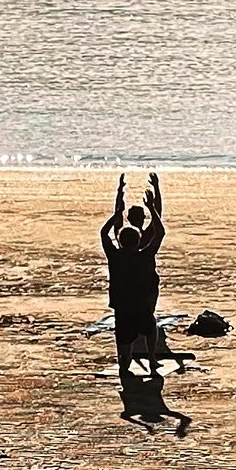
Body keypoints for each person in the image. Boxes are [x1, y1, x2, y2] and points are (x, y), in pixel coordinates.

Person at [98, 172, 164, 413]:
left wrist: (116, 212)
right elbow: (161, 231)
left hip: (123, 307)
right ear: (137, 241)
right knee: (150, 327)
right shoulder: (145, 253)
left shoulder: (115, 255)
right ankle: (152, 359)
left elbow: (104, 234)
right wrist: (153, 206)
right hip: (141, 303)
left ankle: (124, 365)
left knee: (124, 341)